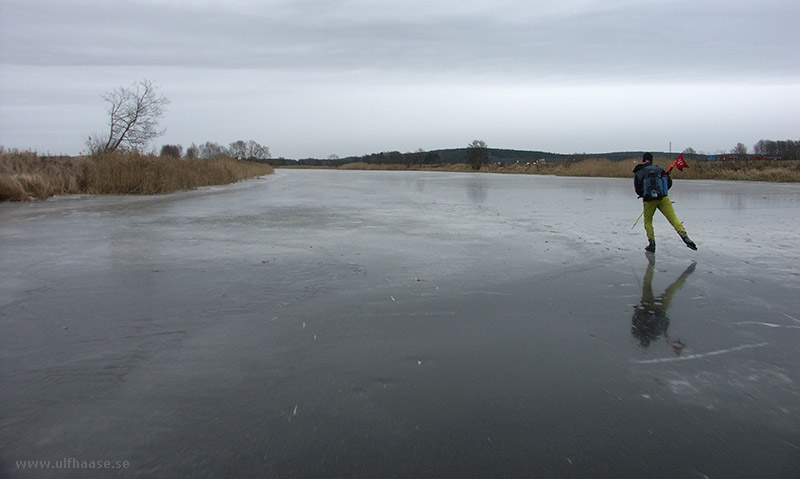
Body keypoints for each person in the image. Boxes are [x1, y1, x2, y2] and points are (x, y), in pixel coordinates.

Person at [631, 254, 696, 355]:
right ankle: (651, 265)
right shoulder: (645, 333)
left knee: (671, 289)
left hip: (655, 308)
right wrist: (641, 310)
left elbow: (664, 322)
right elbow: (636, 318)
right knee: (652, 285)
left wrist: (645, 311)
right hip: (653, 307)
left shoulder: (649, 334)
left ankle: (684, 274)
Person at [633, 152, 697, 252]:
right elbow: (669, 183)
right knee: (673, 219)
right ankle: (684, 236)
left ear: (643, 160)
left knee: (648, 221)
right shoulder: (659, 169)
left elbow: (637, 189)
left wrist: (644, 193)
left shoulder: (640, 171)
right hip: (663, 198)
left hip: (649, 200)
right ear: (652, 160)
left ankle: (652, 243)